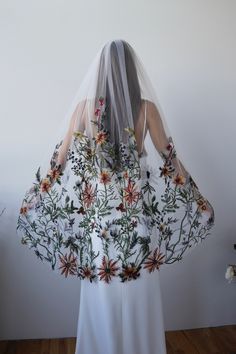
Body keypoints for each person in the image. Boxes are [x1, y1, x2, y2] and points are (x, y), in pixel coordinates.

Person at [17, 39, 215, 354]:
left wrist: (35, 196)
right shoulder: (146, 108)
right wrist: (197, 197)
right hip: (133, 216)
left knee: (101, 292)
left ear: (101, 71)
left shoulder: (84, 109)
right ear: (131, 71)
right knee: (139, 290)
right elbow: (170, 158)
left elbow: (60, 160)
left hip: (100, 221)